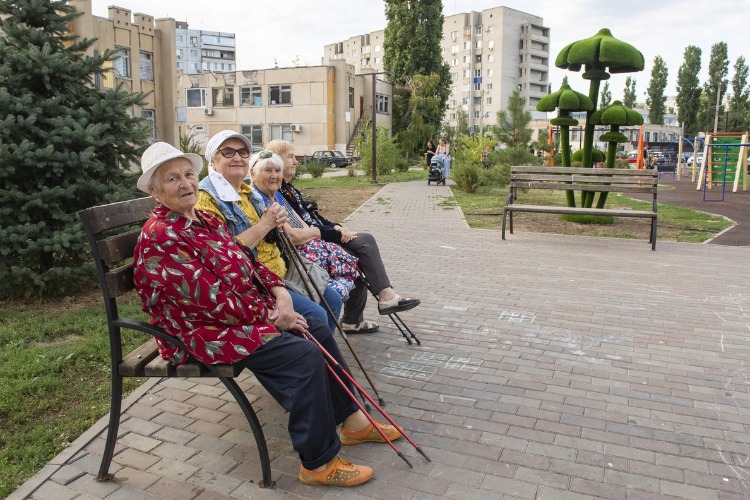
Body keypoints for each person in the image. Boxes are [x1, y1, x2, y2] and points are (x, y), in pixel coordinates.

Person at [133, 142, 401, 487]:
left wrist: (278, 293)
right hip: (199, 332)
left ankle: (351, 420)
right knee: (303, 354)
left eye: (188, 174)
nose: (186, 183)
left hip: (234, 316)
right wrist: (274, 314)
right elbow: (210, 303)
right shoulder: (161, 239)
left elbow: (248, 262)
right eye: (173, 179)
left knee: (317, 325)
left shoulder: (205, 220)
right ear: (155, 191)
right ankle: (317, 464)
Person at [264, 140, 421, 335]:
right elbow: (299, 231)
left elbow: (313, 219)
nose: (296, 161)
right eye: (290, 157)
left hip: (316, 238)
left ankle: (363, 312)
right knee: (362, 246)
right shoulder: (276, 193)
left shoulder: (289, 189)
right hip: (306, 247)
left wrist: (336, 227)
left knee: (361, 248)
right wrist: (334, 232)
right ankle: (364, 311)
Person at [195, 130, 342, 334]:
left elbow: (272, 234)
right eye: (228, 151)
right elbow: (223, 256)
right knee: (316, 316)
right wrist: (266, 224)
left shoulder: (246, 192)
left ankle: (319, 359)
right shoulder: (206, 199)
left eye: (243, 151)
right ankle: (310, 360)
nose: (237, 157)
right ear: (213, 159)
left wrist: (277, 223)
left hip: (280, 271)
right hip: (254, 283)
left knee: (333, 299)